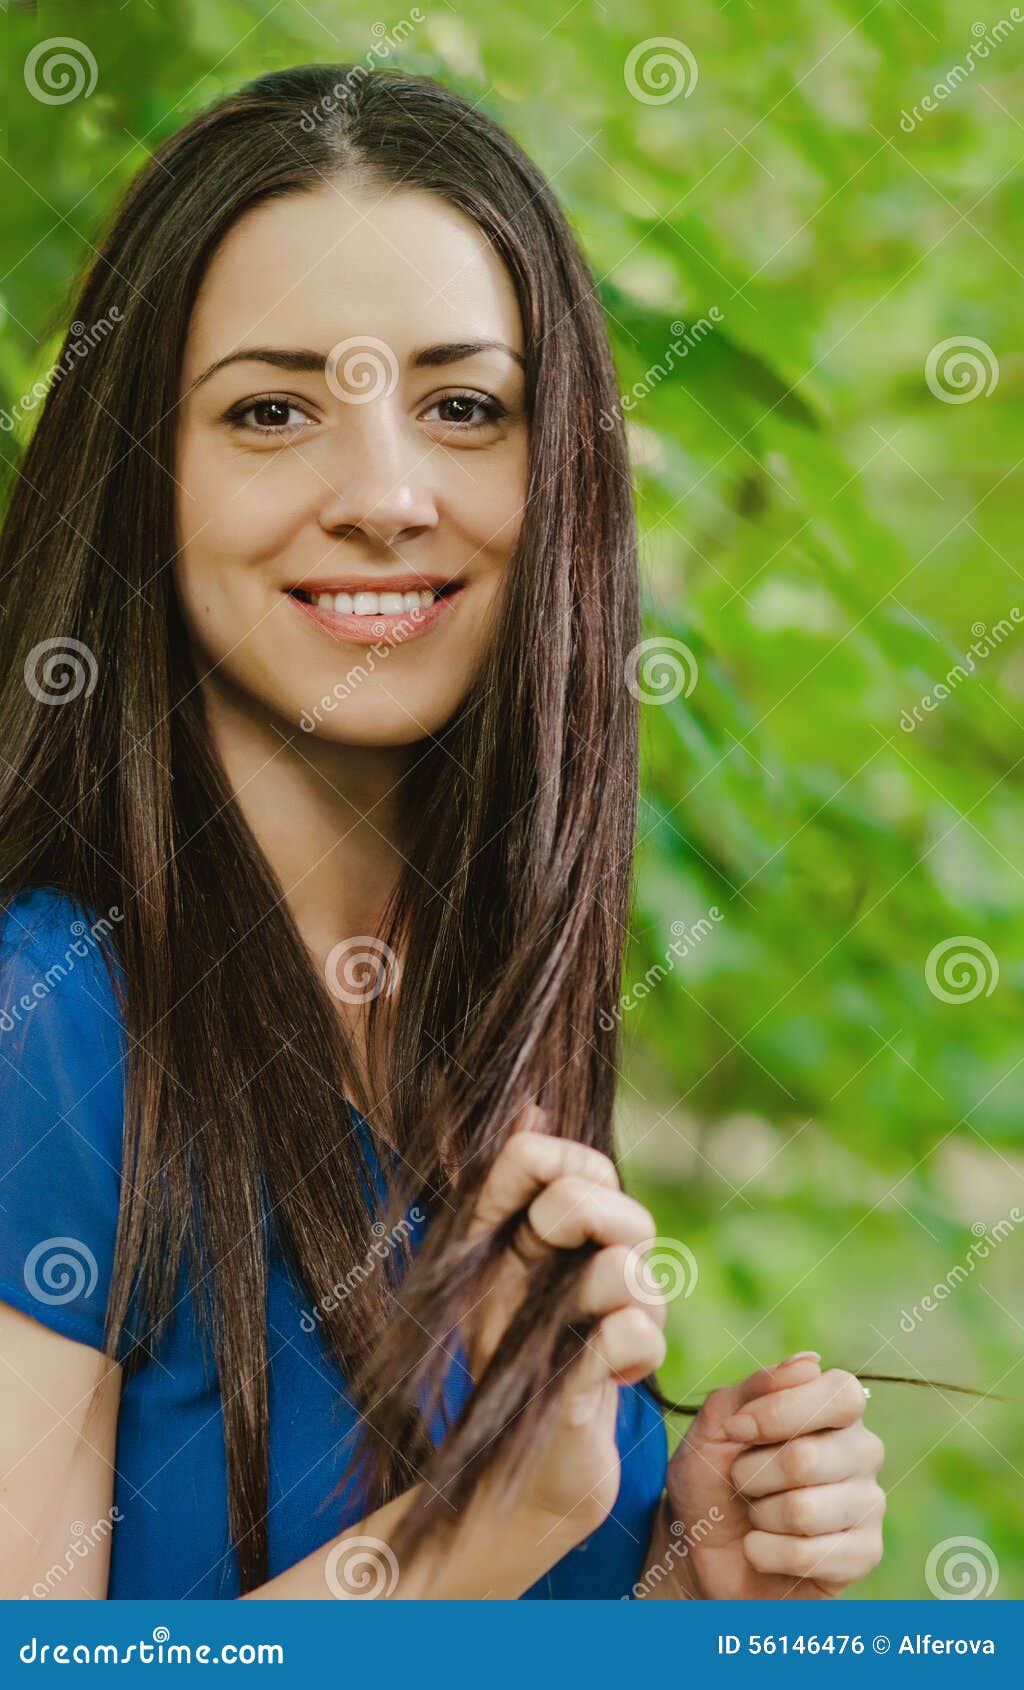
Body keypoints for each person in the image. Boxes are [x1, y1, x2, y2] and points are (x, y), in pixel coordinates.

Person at [0, 63, 885, 1601]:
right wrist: (479, 1528)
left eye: (465, 407)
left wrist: (675, 1587)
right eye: (272, 410)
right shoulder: (49, 1026)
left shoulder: (488, 1022)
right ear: (142, 476)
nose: (391, 493)